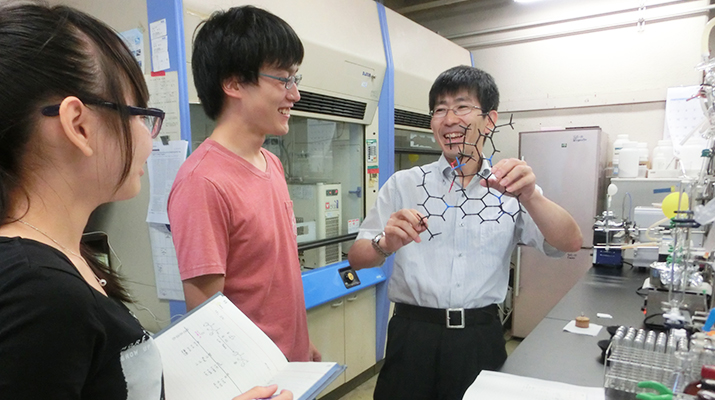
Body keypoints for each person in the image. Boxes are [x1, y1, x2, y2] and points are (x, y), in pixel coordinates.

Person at [0, 3, 291, 400]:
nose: (148, 137)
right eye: (139, 114)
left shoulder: (62, 260)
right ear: (78, 125)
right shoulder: (34, 291)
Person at [347, 65, 583, 400]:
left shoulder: (512, 187)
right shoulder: (404, 184)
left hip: (479, 338)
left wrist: (531, 196)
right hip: (412, 336)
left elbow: (569, 242)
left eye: (461, 106)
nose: (449, 118)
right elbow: (357, 259)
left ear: (489, 120)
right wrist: (385, 244)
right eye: (439, 110)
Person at [167, 6, 320, 363]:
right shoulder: (202, 182)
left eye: (296, 78)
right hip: (255, 380)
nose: (294, 94)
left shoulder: (273, 164)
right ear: (233, 82)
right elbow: (207, 320)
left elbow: (273, 280)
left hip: (292, 368)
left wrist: (301, 343)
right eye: (283, 79)